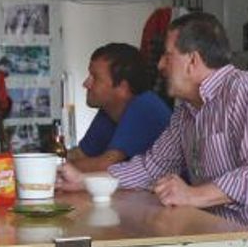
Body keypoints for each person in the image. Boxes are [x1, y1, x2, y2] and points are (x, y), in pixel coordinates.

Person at [60, 12, 248, 247]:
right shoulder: (186, 111)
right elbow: (151, 167)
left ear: (192, 60)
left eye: (167, 56)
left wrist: (192, 195)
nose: (160, 66)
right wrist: (83, 181)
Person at [65, 42, 171, 173]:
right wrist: (44, 159)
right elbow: (80, 154)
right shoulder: (109, 109)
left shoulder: (145, 106)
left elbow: (106, 166)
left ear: (122, 87)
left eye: (95, 78)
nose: (86, 83)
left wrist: (48, 167)